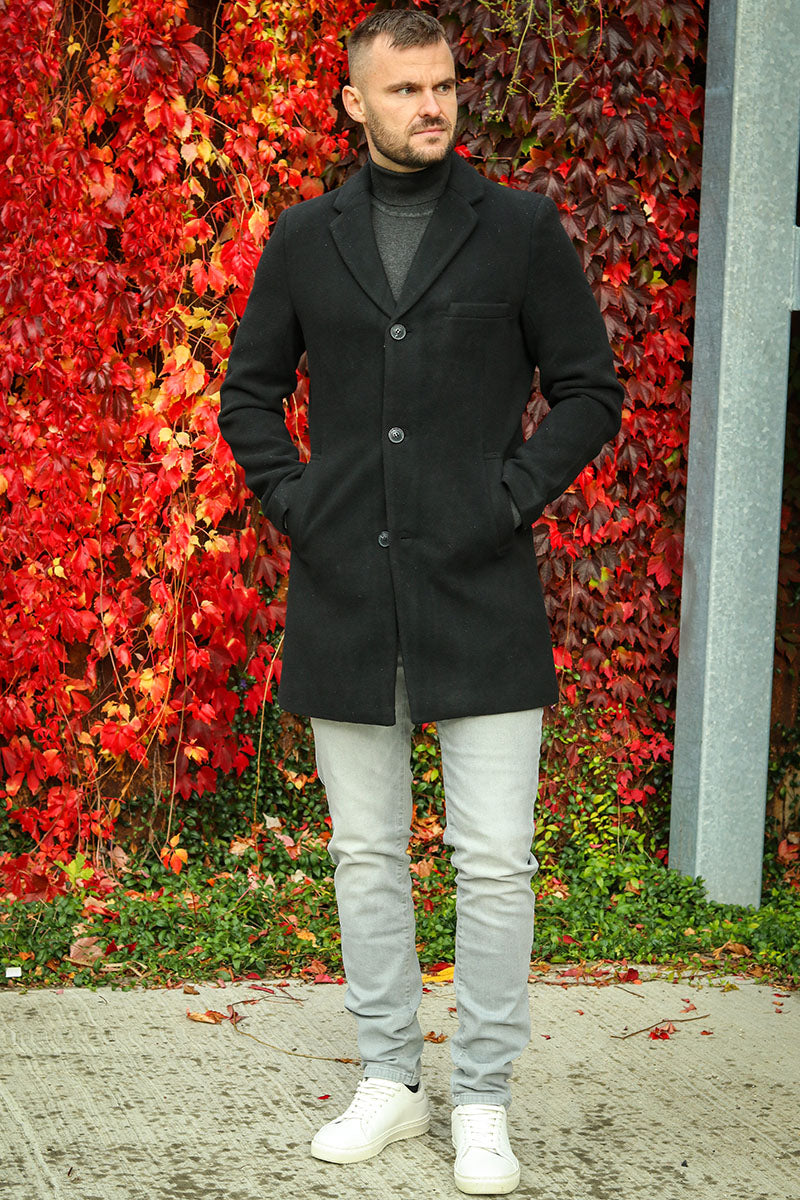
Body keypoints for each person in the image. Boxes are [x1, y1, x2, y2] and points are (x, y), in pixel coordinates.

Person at [219, 9, 623, 1195]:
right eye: (403, 89)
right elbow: (248, 393)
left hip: (479, 589)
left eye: (441, 85)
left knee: (493, 862)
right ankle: (391, 1079)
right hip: (345, 590)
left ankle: (482, 1097)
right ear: (354, 103)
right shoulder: (305, 237)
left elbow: (588, 390)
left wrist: (507, 500)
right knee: (365, 855)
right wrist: (302, 505)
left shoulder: (519, 229)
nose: (430, 106)